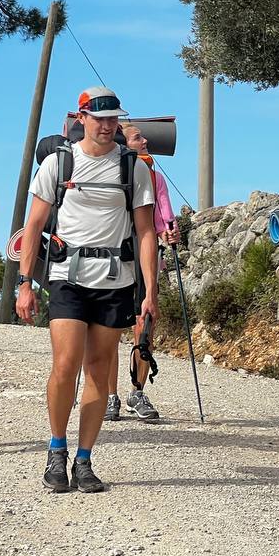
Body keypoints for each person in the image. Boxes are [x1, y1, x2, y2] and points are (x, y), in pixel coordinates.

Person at [14, 87, 158, 494]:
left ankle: (84, 459)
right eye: (100, 119)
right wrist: (25, 284)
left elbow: (146, 232)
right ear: (82, 118)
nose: (108, 126)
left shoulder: (133, 168)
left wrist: (149, 291)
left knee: (97, 368)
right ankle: (56, 449)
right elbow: (33, 226)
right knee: (65, 364)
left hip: (115, 280)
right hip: (67, 277)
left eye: (114, 119)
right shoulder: (59, 164)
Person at [105, 122, 180, 421]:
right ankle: (110, 396)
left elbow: (164, 218)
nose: (146, 140)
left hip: (146, 260)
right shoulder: (108, 174)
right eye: (138, 137)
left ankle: (136, 392)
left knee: (144, 325)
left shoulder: (155, 177)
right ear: (124, 144)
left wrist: (170, 232)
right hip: (114, 259)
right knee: (109, 330)